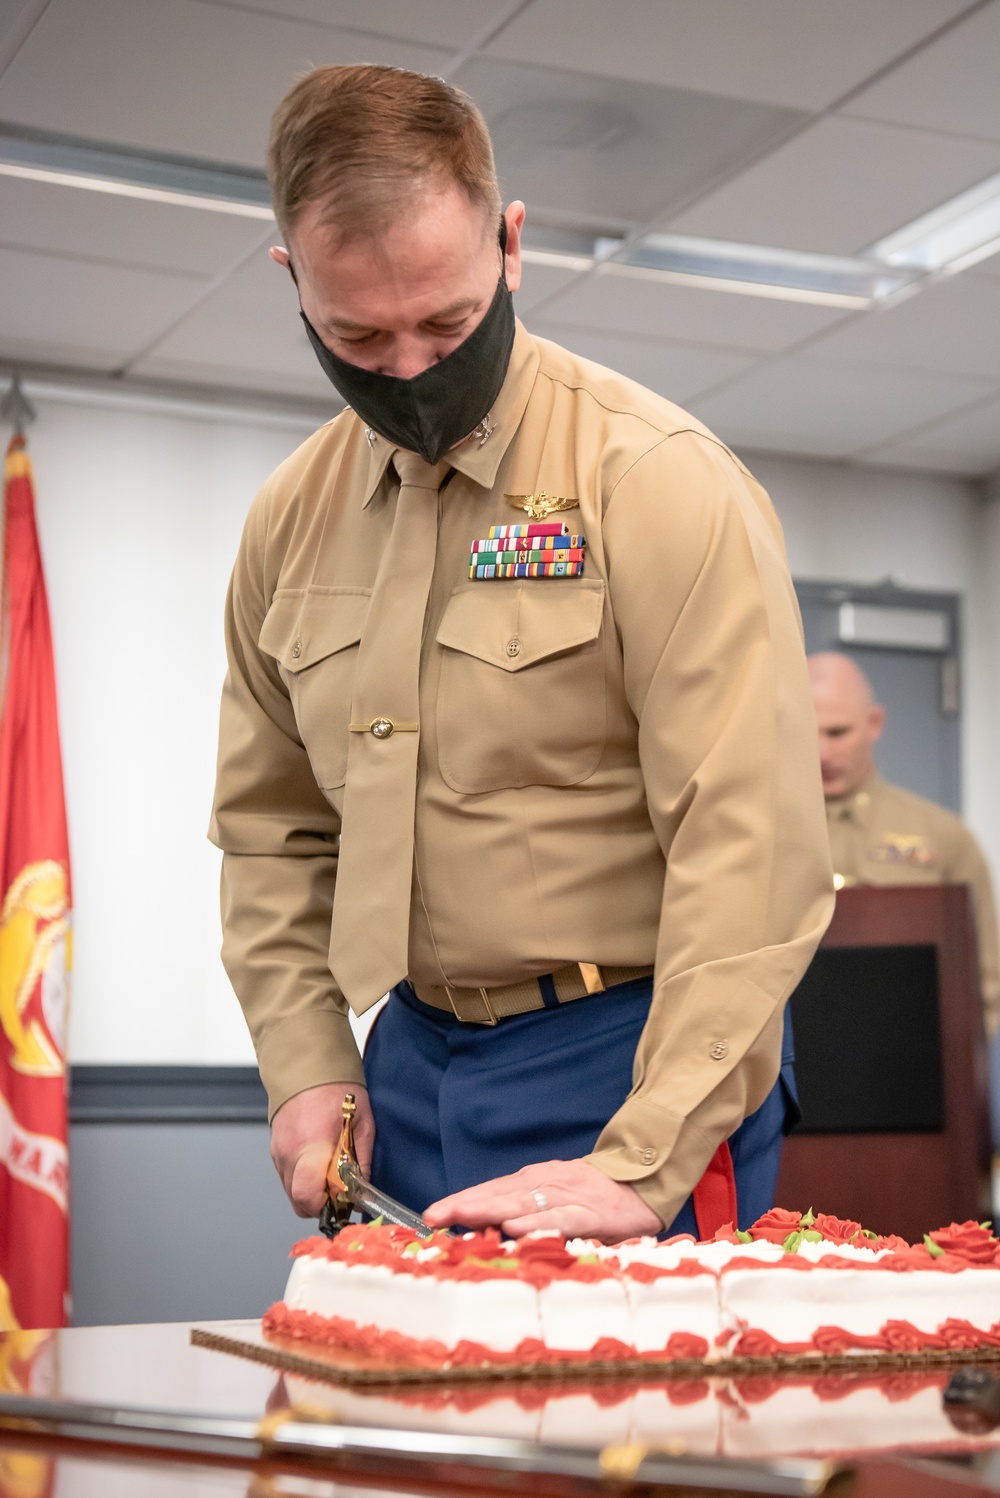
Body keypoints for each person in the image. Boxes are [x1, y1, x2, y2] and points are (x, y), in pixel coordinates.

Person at [210, 64, 833, 1245]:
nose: (410, 370)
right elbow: (270, 835)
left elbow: (749, 846)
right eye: (356, 333)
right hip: (405, 1067)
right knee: (380, 1419)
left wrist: (646, 1160)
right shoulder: (288, 520)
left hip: (629, 1060)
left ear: (509, 244)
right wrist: (304, 1064)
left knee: (622, 1424)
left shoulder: (655, 479)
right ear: (292, 278)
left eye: (446, 323)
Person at [808, 651, 999, 1038]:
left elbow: (984, 978)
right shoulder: (762, 833)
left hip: (911, 1054)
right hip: (796, 1052)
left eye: (837, 732)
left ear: (874, 723)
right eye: (806, 732)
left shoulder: (942, 834)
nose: (822, 753)